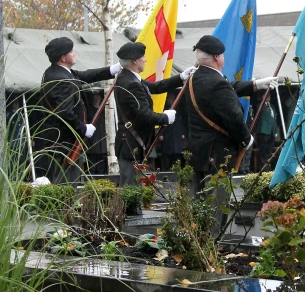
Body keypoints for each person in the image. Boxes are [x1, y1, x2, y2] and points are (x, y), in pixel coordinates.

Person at [183, 34, 277, 195]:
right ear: (217, 57)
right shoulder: (216, 83)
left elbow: (227, 89)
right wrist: (246, 139)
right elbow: (234, 116)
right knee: (217, 209)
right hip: (217, 155)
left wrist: (255, 84)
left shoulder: (195, 78)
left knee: (198, 205)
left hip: (198, 152)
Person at [36, 36, 119, 183]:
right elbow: (64, 112)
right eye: (71, 51)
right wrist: (83, 128)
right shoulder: (62, 80)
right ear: (63, 57)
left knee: (65, 181)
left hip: (60, 139)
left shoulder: (56, 72)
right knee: (67, 183)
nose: (74, 54)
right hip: (66, 142)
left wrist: (113, 69)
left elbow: (84, 75)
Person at [114, 41, 195, 186]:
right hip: (131, 143)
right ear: (134, 60)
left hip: (134, 142)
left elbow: (155, 87)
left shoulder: (131, 79)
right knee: (130, 187)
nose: (145, 60)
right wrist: (164, 117)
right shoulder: (130, 82)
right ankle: (130, 210)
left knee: (134, 185)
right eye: (142, 57)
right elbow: (143, 114)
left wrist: (181, 77)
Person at [255, 90, 280, 170]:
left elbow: (274, 118)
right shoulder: (260, 106)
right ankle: (262, 167)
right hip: (263, 131)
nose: (268, 98)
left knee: (269, 150)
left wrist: (275, 130)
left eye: (269, 96)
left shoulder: (272, 106)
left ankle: (268, 166)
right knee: (263, 151)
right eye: (267, 96)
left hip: (271, 131)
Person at [85, 92, 108, 175]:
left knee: (101, 166)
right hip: (92, 143)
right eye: (95, 96)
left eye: (98, 96)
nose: (96, 98)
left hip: (102, 143)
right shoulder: (89, 109)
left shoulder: (106, 109)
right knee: (92, 166)